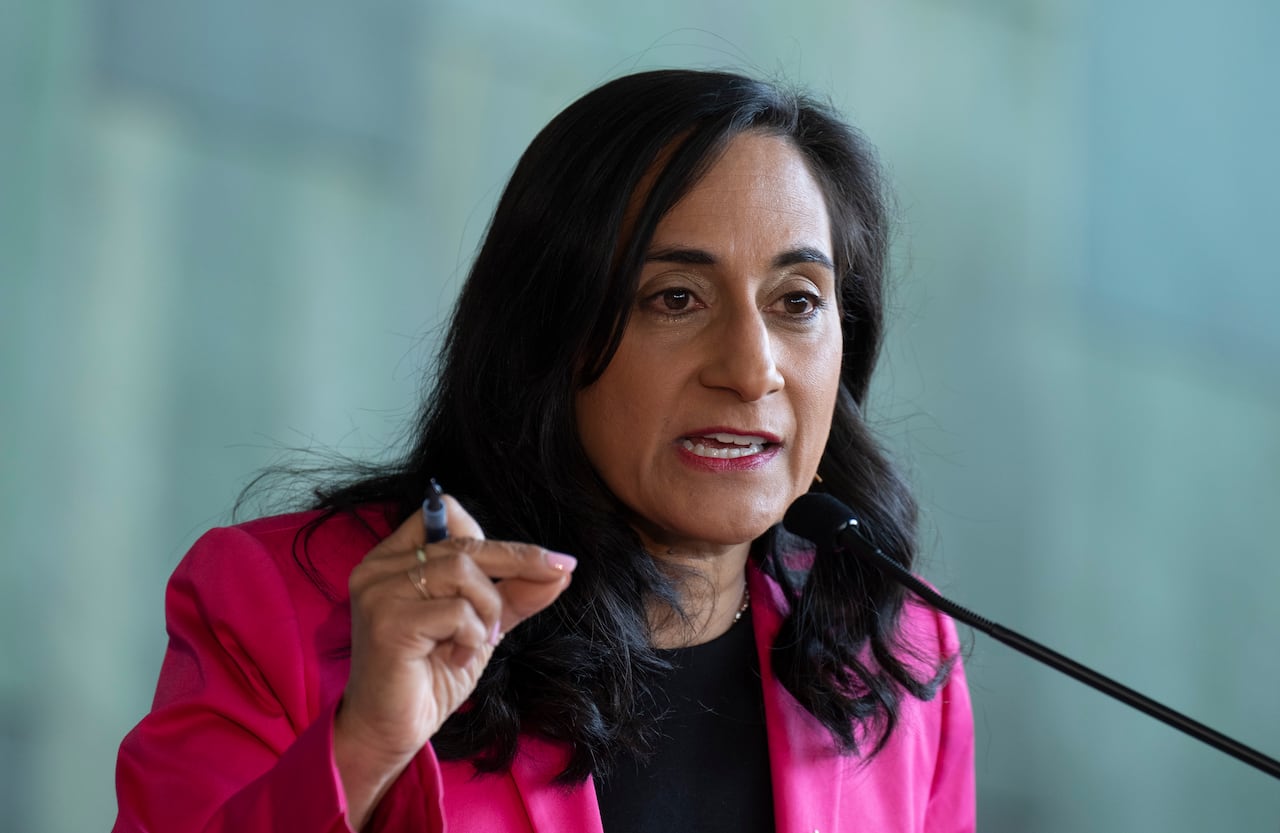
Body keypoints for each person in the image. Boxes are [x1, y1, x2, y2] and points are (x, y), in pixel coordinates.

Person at [113, 68, 975, 832]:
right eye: (675, 297)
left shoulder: (894, 644)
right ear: (547, 338)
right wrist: (364, 743)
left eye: (797, 300)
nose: (753, 370)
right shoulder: (284, 609)